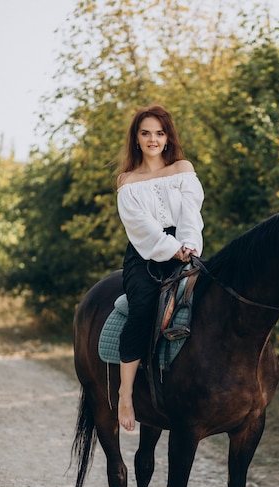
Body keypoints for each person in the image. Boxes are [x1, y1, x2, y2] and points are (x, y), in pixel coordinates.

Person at [116, 105, 204, 431]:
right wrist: (171, 250)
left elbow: (191, 214)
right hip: (145, 253)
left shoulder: (182, 168)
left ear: (167, 137)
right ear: (136, 139)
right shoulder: (127, 181)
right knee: (142, 308)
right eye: (145, 133)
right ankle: (126, 393)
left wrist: (190, 246)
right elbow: (140, 228)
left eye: (159, 132)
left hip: (185, 245)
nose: (153, 139)